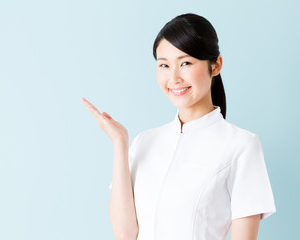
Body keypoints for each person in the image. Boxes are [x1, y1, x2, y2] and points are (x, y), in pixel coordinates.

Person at [80, 13, 276, 240]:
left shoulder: (242, 145)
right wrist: (119, 143)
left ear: (216, 65)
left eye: (185, 63)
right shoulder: (145, 141)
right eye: (164, 65)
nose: (173, 77)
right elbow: (125, 234)